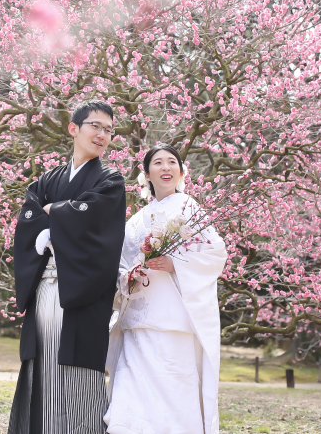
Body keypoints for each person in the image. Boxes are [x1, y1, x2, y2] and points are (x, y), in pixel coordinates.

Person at [7, 99, 127, 434]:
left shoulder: (111, 180)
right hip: (44, 288)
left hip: (82, 293)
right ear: (73, 129)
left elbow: (97, 221)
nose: (102, 134)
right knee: (42, 365)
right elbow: (30, 213)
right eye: (95, 126)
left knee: (81, 373)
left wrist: (54, 215)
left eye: (108, 129)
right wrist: (60, 214)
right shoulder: (48, 179)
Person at [104, 144, 228, 434]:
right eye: (157, 163)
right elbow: (120, 266)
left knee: (174, 398)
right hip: (138, 324)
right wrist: (129, 277)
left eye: (172, 162)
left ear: (182, 171)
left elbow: (215, 255)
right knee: (129, 400)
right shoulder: (135, 221)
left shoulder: (191, 209)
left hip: (175, 323)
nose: (166, 167)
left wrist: (175, 264)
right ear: (146, 174)